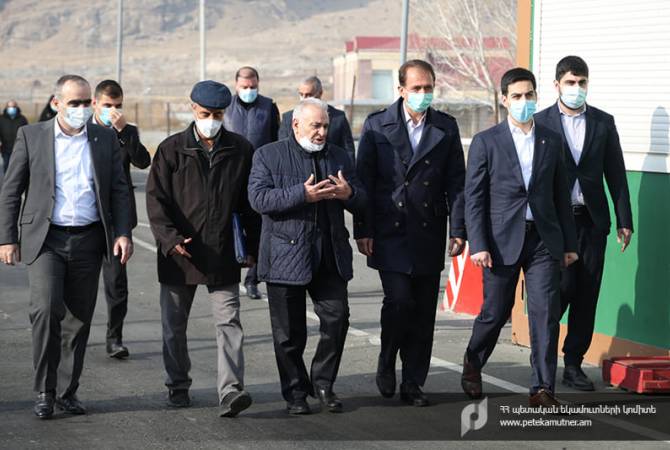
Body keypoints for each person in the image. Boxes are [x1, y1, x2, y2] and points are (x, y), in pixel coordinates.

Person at [0, 75, 133, 419]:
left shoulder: (103, 138)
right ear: (57, 103)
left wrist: (122, 232)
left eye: (86, 102)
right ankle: (45, 390)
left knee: (79, 319)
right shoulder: (32, 136)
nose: (82, 109)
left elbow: (120, 188)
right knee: (45, 310)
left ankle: (66, 392)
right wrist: (7, 238)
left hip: (89, 239)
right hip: (46, 239)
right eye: (74, 103)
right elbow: (11, 190)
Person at [461, 67, 578, 407]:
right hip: (499, 242)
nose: (524, 101)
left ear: (536, 96)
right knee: (495, 313)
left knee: (544, 314)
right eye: (517, 96)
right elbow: (475, 197)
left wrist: (568, 245)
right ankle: (473, 361)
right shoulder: (487, 142)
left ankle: (542, 388)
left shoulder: (550, 140)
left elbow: (561, 196)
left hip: (543, 241)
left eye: (529, 95)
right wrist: (478, 244)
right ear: (504, 100)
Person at [354, 59, 466, 406]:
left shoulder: (445, 128)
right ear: (401, 90)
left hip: (429, 230)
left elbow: (456, 184)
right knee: (399, 301)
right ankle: (387, 358)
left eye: (428, 88)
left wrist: (458, 229)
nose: (422, 94)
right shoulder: (377, 126)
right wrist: (363, 229)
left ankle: (413, 382)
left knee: (423, 313)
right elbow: (364, 183)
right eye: (416, 88)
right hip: (390, 230)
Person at [146, 80, 260, 417]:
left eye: (218, 114)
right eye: (205, 113)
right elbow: (156, 202)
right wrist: (170, 240)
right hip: (179, 255)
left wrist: (252, 248)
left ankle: (230, 391)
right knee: (174, 326)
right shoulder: (170, 150)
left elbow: (249, 205)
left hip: (223, 253)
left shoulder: (241, 150)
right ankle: (178, 385)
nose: (211, 119)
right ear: (193, 109)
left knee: (229, 322)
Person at [248, 97, 366, 414]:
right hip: (285, 256)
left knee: (337, 320)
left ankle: (324, 383)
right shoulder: (268, 155)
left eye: (326, 126)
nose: (322, 132)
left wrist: (349, 194)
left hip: (329, 256)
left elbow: (363, 199)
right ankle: (296, 393)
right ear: (296, 124)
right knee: (289, 335)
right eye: (316, 125)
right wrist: (303, 194)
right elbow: (258, 199)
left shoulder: (340, 157)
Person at [534, 56, 633, 391]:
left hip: (591, 223)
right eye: (570, 82)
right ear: (557, 85)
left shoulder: (604, 123)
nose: (576, 89)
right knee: (556, 291)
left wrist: (624, 220)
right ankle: (542, 360)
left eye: (582, 82)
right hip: (554, 225)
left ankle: (573, 363)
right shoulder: (540, 122)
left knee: (586, 293)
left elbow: (616, 175)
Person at [91, 80, 151, 359]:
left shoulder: (127, 131)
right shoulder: (82, 129)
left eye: (117, 106)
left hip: (116, 220)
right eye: (107, 106)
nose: (113, 111)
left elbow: (142, 162)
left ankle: (114, 337)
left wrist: (124, 132)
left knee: (116, 283)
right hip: (85, 216)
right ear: (95, 104)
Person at [224, 66, 280, 300]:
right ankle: (228, 276)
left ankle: (253, 279)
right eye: (245, 87)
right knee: (230, 225)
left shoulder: (268, 107)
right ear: (236, 85)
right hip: (231, 176)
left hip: (260, 176)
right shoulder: (225, 108)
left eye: (253, 87)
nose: (249, 90)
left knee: (260, 227)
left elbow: (277, 140)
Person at [278, 76, 355, 163]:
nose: (304, 98)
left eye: (309, 95)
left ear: (320, 93)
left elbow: (348, 150)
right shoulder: (289, 118)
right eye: (301, 94)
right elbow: (283, 149)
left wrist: (347, 174)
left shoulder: (338, 118)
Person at [0, 100, 29, 173]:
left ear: (16, 107)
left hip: (19, 147)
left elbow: (27, 132)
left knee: (17, 167)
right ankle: (7, 182)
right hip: (5, 148)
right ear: (6, 108)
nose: (11, 108)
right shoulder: (1, 119)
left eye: (13, 106)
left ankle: (16, 182)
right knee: (6, 165)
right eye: (9, 106)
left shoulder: (22, 119)